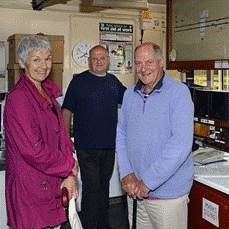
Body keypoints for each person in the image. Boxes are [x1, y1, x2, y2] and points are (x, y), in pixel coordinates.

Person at [116, 42, 194, 229]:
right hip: (135, 194)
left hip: (167, 197)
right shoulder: (129, 95)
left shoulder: (179, 93)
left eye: (149, 62)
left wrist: (148, 182)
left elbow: (180, 145)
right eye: (138, 63)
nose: (143, 68)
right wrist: (126, 173)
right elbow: (121, 134)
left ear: (160, 63)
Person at [4, 35, 78, 229]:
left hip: (50, 183)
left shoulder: (47, 92)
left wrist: (68, 173)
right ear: (23, 63)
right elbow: (34, 150)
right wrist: (69, 165)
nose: (44, 65)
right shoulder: (19, 98)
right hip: (31, 190)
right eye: (36, 59)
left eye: (47, 59)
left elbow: (60, 138)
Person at [62, 45, 126, 229]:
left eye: (102, 58)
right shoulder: (79, 82)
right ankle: (90, 225)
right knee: (92, 188)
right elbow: (66, 111)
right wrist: (66, 140)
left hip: (108, 146)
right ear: (89, 60)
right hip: (86, 147)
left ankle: (103, 225)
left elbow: (130, 101)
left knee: (103, 186)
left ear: (108, 60)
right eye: (94, 58)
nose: (98, 61)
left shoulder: (113, 82)